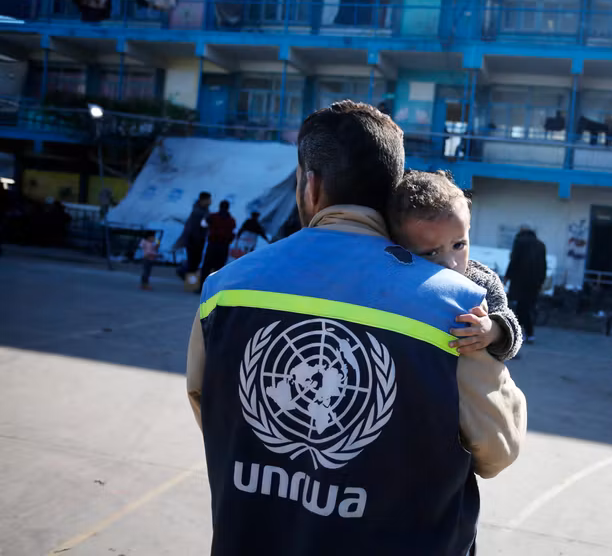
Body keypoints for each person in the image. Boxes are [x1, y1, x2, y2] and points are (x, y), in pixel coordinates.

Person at [186, 101, 526, 556]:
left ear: (310, 184)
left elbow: (212, 413)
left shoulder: (224, 290)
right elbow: (499, 448)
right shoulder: (460, 308)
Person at [388, 170, 522, 361]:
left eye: (458, 245)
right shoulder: (397, 281)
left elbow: (512, 328)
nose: (450, 262)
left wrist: (492, 330)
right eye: (431, 253)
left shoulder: (482, 281)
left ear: (468, 231)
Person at [505, 225, 547, 345]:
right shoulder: (541, 245)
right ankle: (528, 334)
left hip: (520, 281)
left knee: (520, 308)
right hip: (535, 283)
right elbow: (543, 265)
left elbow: (514, 261)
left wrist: (507, 277)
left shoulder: (520, 242)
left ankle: (520, 333)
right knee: (526, 308)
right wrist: (541, 282)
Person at [175, 191, 211, 279]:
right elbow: (194, 228)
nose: (210, 202)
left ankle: (187, 276)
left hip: (198, 239)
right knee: (193, 261)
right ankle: (185, 275)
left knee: (195, 261)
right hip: (194, 240)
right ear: (203, 200)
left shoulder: (203, 210)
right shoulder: (198, 212)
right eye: (209, 200)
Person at [200, 200, 236, 286]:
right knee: (219, 269)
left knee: (207, 267)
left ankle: (202, 287)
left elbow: (203, 224)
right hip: (224, 246)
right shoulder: (231, 220)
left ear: (219, 207)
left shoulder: (213, 216)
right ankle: (215, 289)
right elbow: (234, 233)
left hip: (212, 245)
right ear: (228, 208)